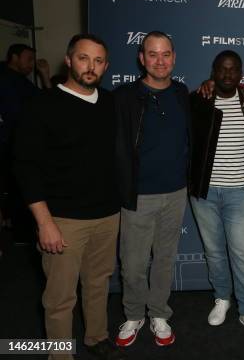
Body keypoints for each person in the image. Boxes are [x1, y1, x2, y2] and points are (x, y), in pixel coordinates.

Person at [13, 34, 123, 360]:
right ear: (69, 59)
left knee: (98, 284)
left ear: (106, 66)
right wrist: (44, 222)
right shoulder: (42, 105)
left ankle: (96, 337)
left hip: (106, 215)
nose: (91, 67)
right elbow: (25, 166)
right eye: (84, 58)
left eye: (98, 61)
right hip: (62, 219)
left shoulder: (109, 102)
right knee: (60, 297)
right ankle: (59, 354)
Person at [113, 31, 190, 347]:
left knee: (164, 259)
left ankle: (159, 313)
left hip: (176, 193)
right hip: (138, 195)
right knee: (132, 264)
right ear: (141, 58)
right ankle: (134, 314)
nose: (160, 61)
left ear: (174, 57)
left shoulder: (183, 93)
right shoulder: (124, 96)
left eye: (166, 54)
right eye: (153, 54)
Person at [189, 50, 244, 340]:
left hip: (239, 191)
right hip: (204, 192)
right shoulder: (198, 100)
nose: (227, 75)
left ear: (241, 73)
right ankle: (222, 298)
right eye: (221, 69)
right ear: (213, 71)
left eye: (233, 70)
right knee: (214, 251)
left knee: (242, 255)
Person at [0, 44, 51, 243]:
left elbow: (47, 103)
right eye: (28, 59)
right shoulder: (6, 80)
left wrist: (45, 75)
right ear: (14, 57)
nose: (31, 64)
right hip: (7, 147)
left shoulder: (22, 82)